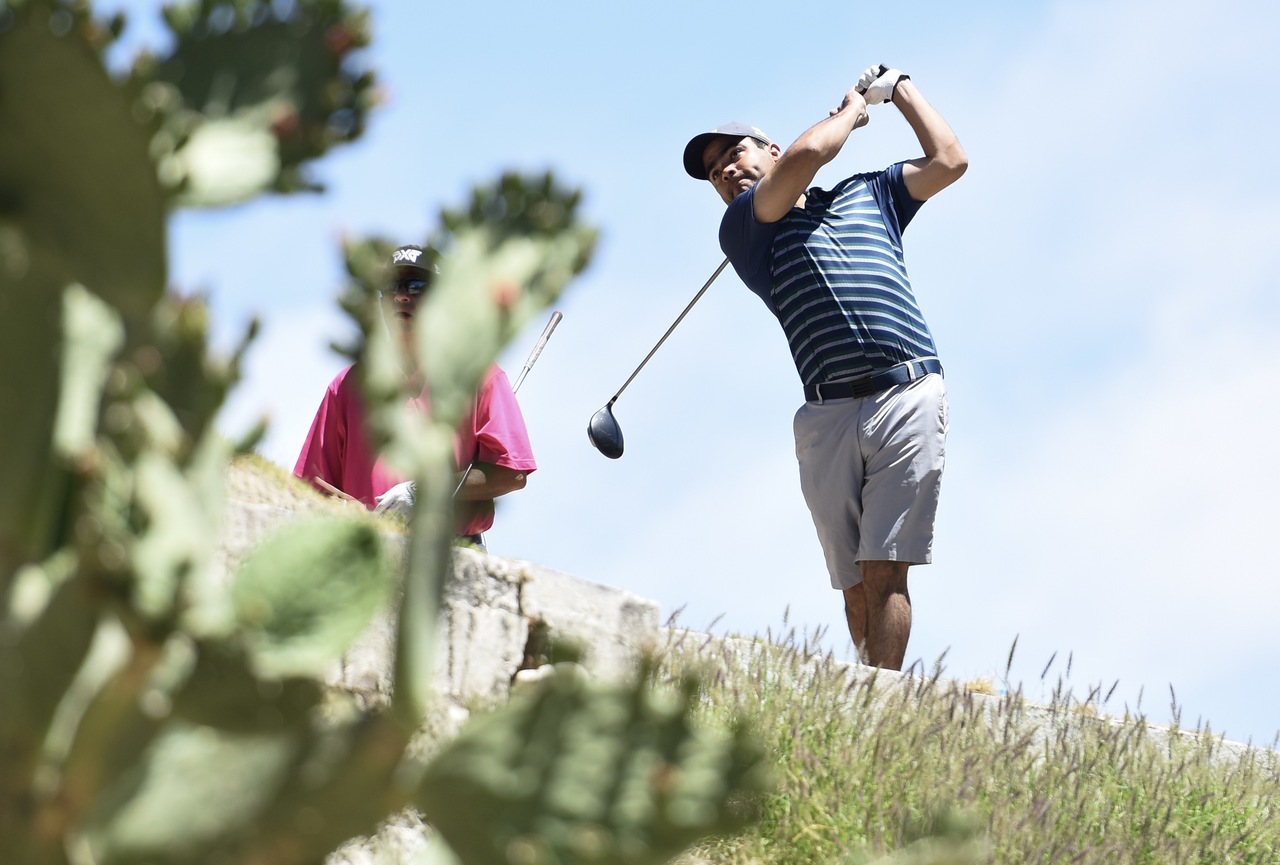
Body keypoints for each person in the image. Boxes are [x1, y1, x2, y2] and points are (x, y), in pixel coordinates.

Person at [681, 66, 967, 670]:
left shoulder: (871, 193)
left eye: (734, 153)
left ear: (770, 151)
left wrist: (900, 89)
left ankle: (881, 708)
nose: (726, 171)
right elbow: (813, 150)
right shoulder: (744, 229)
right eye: (714, 172)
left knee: (885, 568)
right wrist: (853, 112)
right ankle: (868, 692)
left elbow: (949, 160)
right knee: (855, 584)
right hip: (826, 414)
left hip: (906, 391)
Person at [293, 244, 537, 550]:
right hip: (365, 558)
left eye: (418, 285)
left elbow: (511, 473)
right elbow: (311, 489)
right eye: (391, 287)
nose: (402, 296)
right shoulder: (347, 386)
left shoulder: (479, 377)